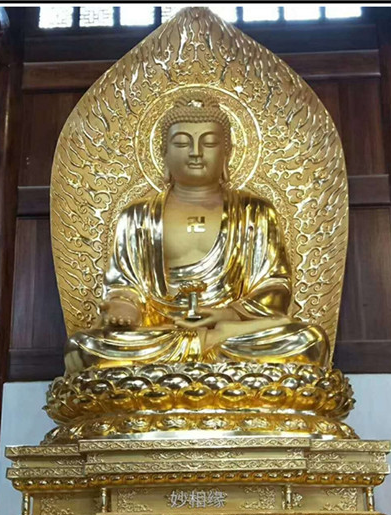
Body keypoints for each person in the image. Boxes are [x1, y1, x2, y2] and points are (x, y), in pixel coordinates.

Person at [64, 94, 329, 373]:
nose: (195, 152)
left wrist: (228, 314)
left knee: (309, 341)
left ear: (227, 152)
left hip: (232, 333)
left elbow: (275, 286)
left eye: (209, 143)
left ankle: (208, 344)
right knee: (82, 347)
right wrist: (124, 306)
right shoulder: (137, 216)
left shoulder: (256, 212)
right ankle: (207, 349)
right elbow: (124, 284)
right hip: (161, 334)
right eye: (181, 143)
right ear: (164, 153)